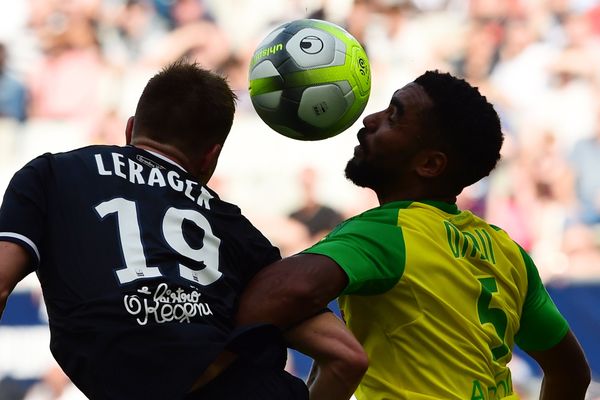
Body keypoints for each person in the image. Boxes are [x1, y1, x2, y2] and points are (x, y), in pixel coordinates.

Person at [0, 60, 366, 399]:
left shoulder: (51, 175)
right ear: (211, 156)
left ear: (131, 128)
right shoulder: (234, 228)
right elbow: (346, 357)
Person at [235, 70, 592, 399]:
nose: (368, 121)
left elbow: (277, 294)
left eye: (394, 117)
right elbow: (572, 373)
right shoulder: (507, 251)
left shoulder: (389, 231)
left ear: (430, 164)